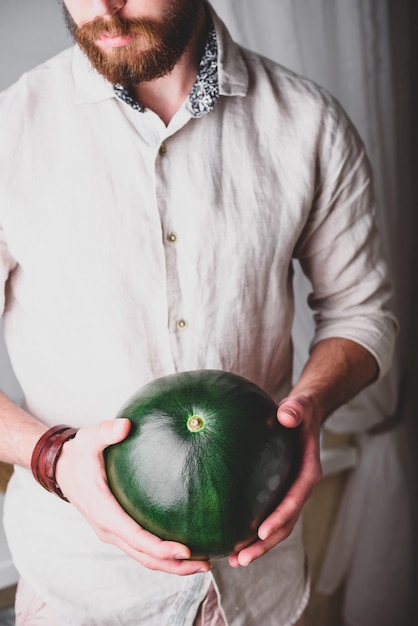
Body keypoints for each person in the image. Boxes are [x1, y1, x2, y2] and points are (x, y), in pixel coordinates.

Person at [0, 0, 397, 624]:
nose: (104, 8)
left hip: (258, 587)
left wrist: (312, 406)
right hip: (79, 589)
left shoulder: (310, 122)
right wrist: (51, 455)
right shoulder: (9, 130)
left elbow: (362, 313)